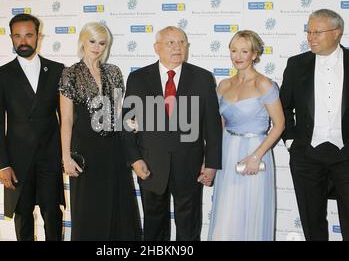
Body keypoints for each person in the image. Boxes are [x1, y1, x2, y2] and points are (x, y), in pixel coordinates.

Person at [122, 26, 222, 241]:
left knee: (189, 227)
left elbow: (212, 126)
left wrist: (212, 163)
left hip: (189, 165)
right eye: (170, 43)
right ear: (156, 47)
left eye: (182, 42)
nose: (177, 47)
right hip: (149, 164)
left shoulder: (203, 78)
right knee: (153, 226)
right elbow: (127, 123)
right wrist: (135, 159)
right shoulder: (138, 78)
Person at [280, 9, 349, 241]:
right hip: (306, 156)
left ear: (337, 32)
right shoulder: (296, 64)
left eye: (317, 32)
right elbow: (283, 106)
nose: (310, 37)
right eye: (308, 32)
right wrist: (291, 141)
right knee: (312, 225)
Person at [59, 22, 141, 241]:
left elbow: (117, 112)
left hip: (114, 148)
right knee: (88, 208)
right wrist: (66, 156)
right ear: (83, 42)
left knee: (117, 205)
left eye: (102, 43)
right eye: (92, 41)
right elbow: (66, 119)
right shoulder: (70, 74)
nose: (97, 47)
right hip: (85, 150)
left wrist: (130, 124)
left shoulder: (113, 72)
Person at [0, 13, 65, 241]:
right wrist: (2, 164)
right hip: (17, 158)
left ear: (38, 36)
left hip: (50, 155)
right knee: (22, 215)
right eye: (17, 36)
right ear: (11, 38)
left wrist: (66, 154)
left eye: (29, 35)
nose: (23, 41)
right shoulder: (1, 75)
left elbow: (66, 117)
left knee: (52, 213)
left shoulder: (57, 70)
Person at [208, 30, 284, 241]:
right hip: (227, 150)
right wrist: (211, 161)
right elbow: (219, 126)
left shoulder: (264, 84)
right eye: (234, 50)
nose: (238, 56)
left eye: (244, 51)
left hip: (254, 152)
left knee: (250, 212)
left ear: (254, 54)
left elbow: (279, 125)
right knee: (226, 212)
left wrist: (256, 156)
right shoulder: (224, 85)